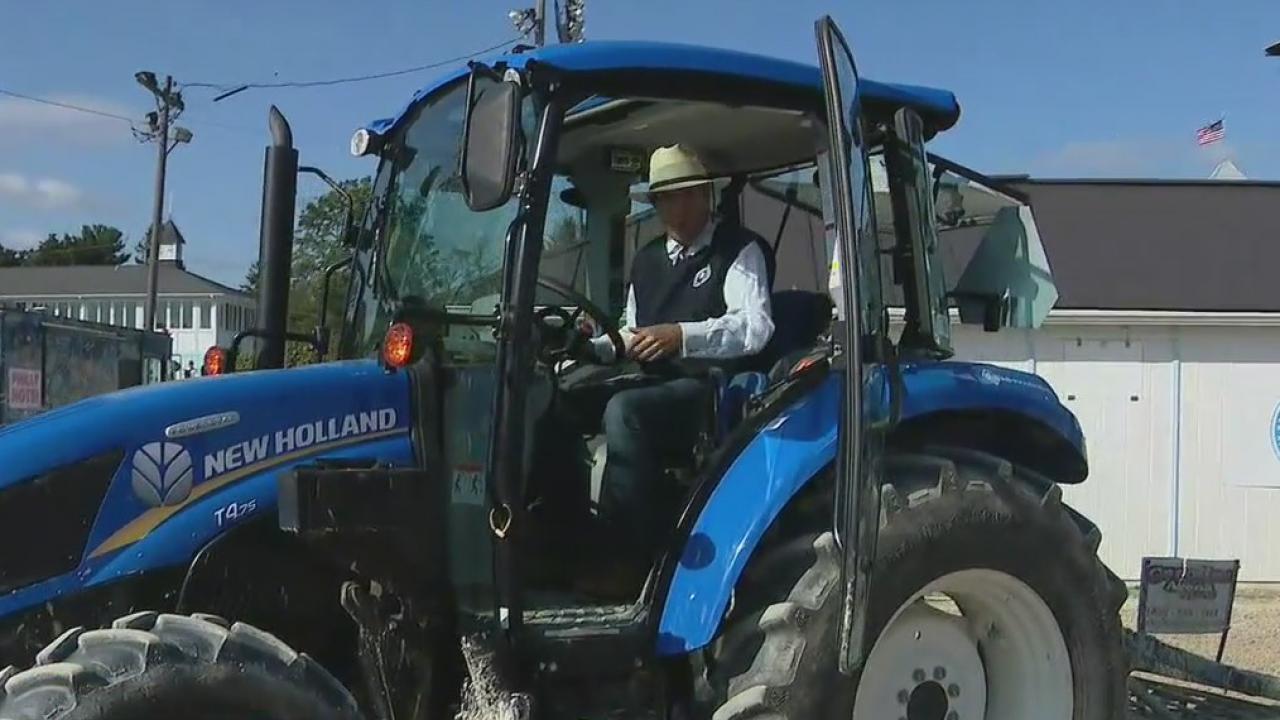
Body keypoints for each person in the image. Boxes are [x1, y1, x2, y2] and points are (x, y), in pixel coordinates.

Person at [579, 144, 775, 577]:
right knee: (560, 401)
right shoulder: (647, 260)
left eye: (686, 194)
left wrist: (681, 337)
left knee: (624, 412)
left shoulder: (740, 251)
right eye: (666, 196)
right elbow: (632, 331)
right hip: (651, 379)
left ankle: (625, 560)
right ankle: (566, 537)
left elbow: (754, 328)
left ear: (705, 195)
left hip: (710, 388)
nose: (676, 205)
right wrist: (595, 345)